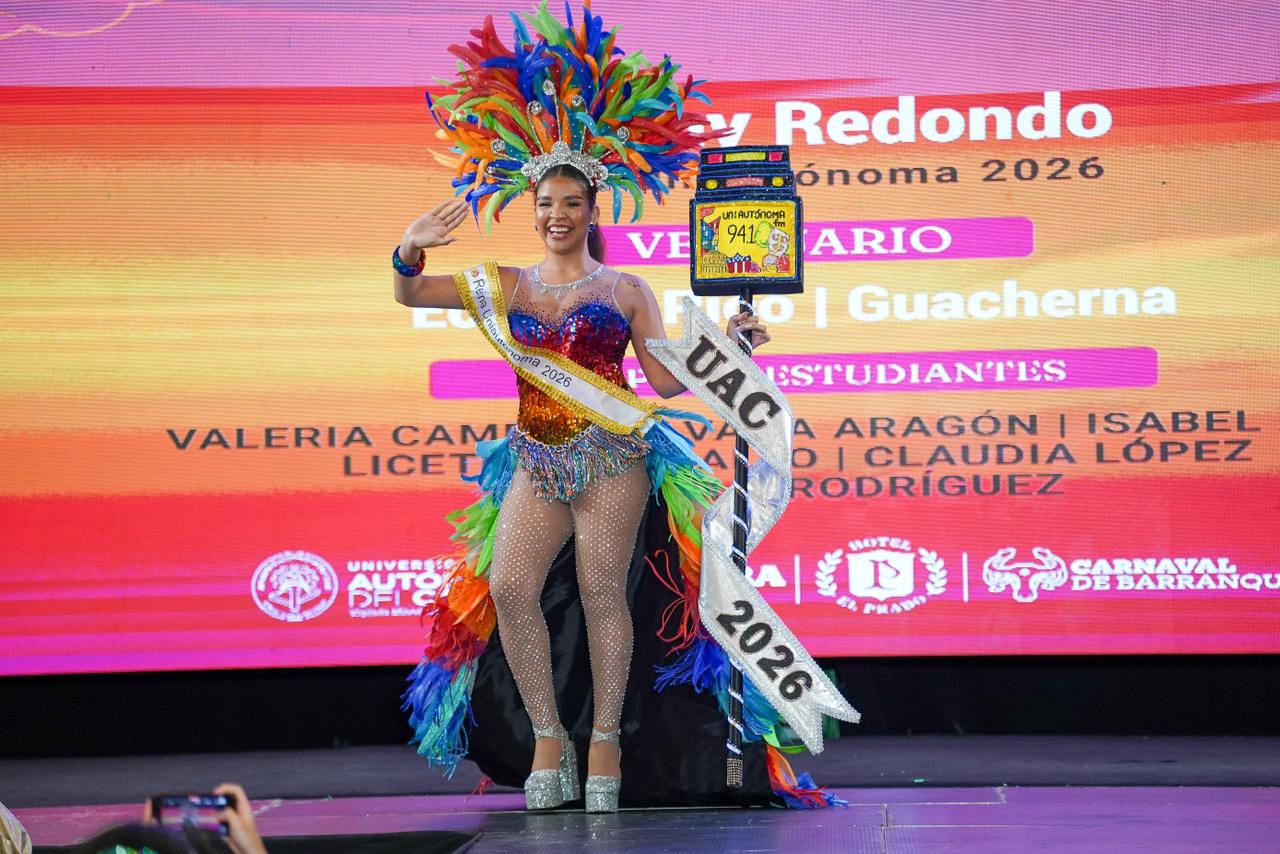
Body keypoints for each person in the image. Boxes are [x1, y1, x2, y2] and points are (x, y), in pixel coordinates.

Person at [399, 3, 842, 813]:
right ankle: (547, 737)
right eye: (544, 204)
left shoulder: (626, 290)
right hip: (535, 455)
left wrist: (735, 346)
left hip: (616, 458)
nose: (556, 215)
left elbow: (663, 383)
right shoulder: (505, 285)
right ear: (530, 210)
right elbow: (409, 291)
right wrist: (409, 244)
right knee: (510, 588)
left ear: (593, 210)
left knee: (604, 590)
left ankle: (603, 739)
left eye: (571, 203)